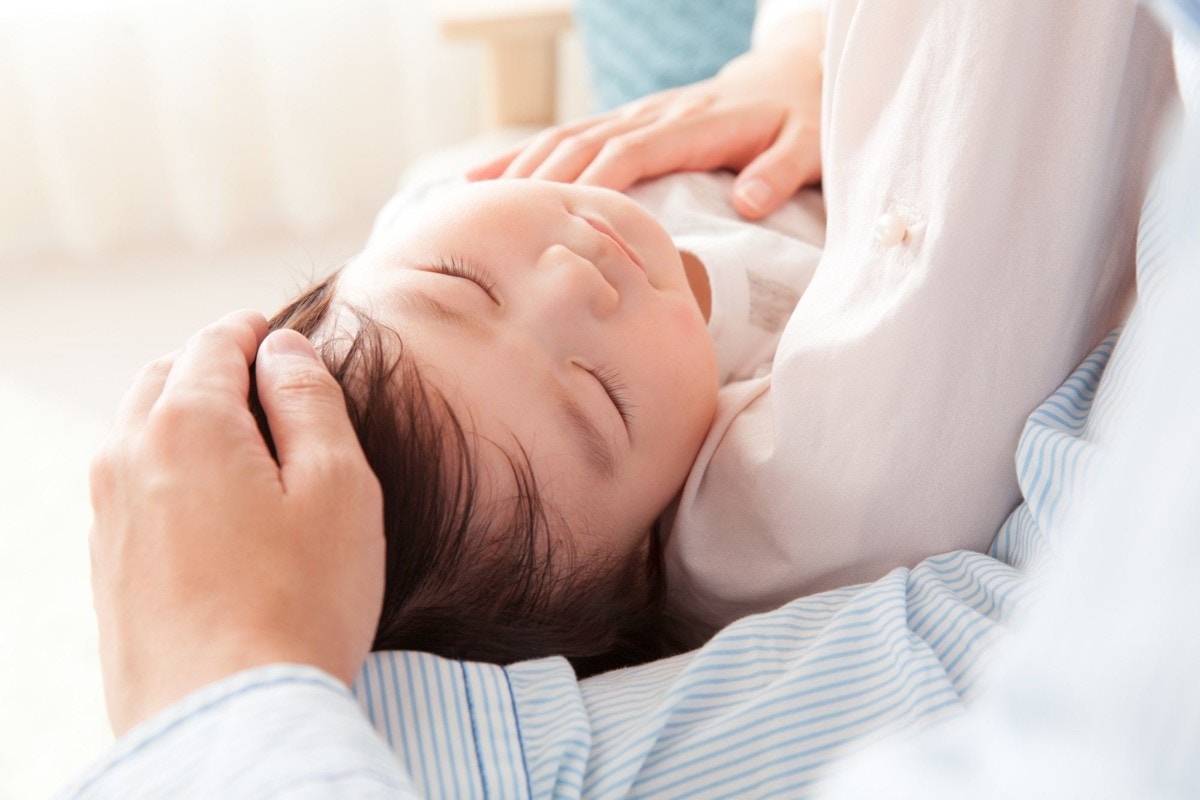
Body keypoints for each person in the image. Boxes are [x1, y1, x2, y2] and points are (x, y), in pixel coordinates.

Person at [69, 0, 1188, 797]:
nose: (572, 278)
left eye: (455, 282)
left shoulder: (479, 195)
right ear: (650, 549)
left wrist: (791, 59)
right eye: (600, 399)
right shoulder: (771, 503)